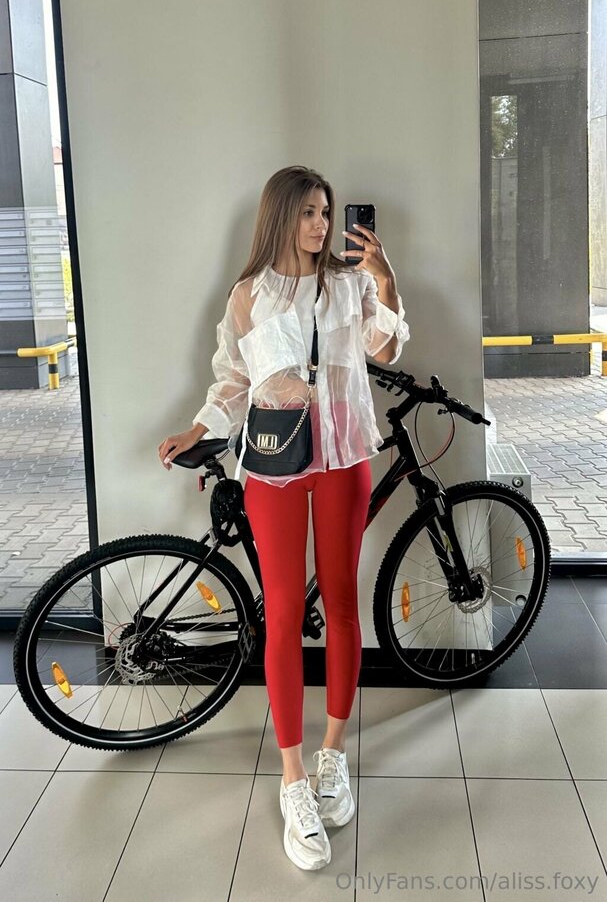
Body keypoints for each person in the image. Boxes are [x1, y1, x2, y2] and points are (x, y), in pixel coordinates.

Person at [158, 165, 410, 872]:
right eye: (306, 212)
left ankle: (332, 757)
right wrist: (197, 428)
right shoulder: (249, 295)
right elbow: (233, 380)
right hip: (274, 463)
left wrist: (386, 280)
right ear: (279, 217)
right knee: (282, 616)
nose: (320, 225)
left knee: (341, 603)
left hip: (343, 457)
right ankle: (293, 777)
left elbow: (386, 348)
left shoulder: (351, 283)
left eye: (325, 212)